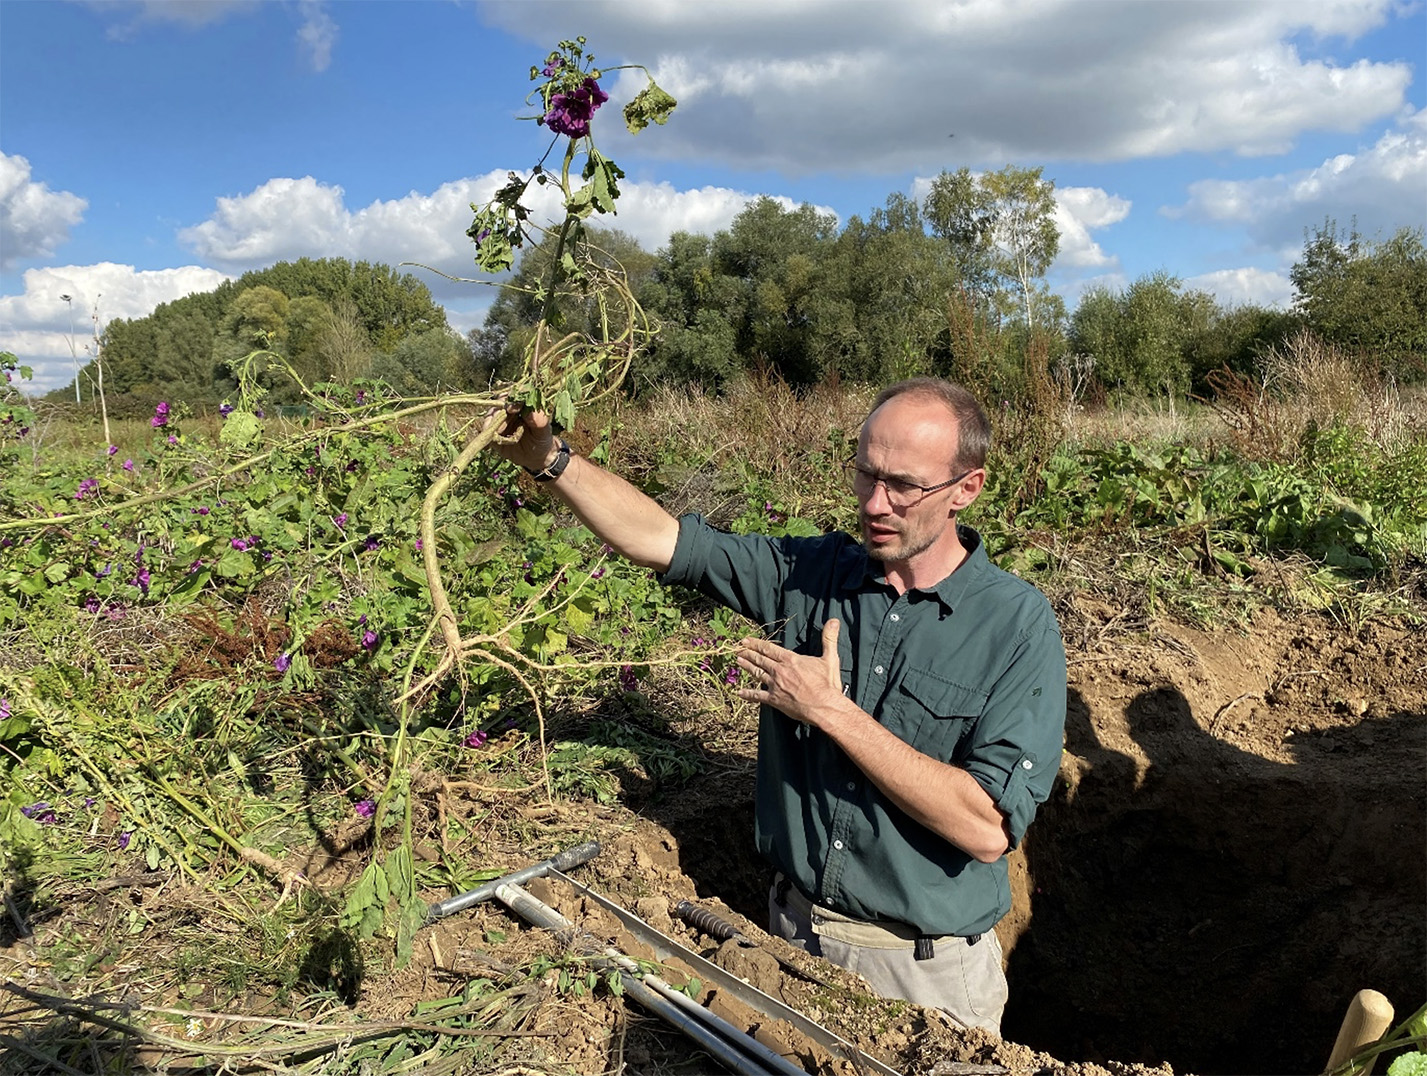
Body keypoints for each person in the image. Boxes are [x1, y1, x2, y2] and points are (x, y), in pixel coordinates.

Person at [494, 377, 1067, 1034]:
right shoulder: (809, 575)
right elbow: (662, 540)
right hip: (788, 943)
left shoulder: (1015, 627)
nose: (874, 503)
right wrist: (551, 459)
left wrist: (831, 712)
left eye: (902, 485)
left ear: (965, 488)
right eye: (864, 475)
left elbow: (986, 829)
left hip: (923, 975)